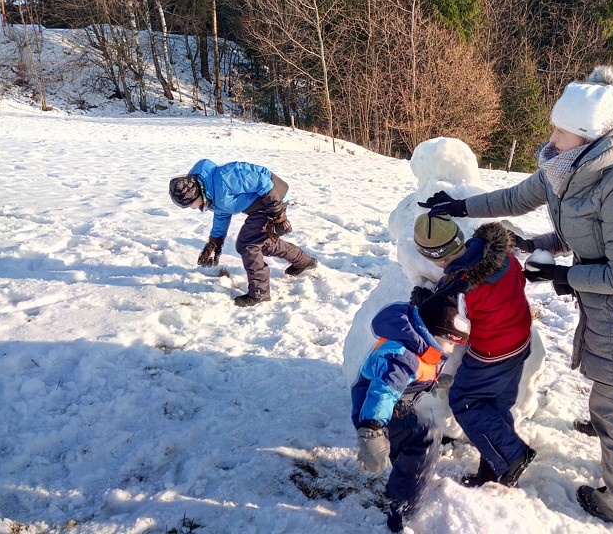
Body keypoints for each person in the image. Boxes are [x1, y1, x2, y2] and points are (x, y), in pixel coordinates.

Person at [419, 66, 613, 530]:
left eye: (560, 130)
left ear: (589, 136)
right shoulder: (565, 165)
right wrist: (462, 207)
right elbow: (518, 197)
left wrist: (563, 274)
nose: (551, 136)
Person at [412, 212, 536, 489]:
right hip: (519, 342)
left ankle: (514, 453)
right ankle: (493, 469)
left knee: (464, 400)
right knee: (495, 405)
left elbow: (456, 330)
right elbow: (519, 281)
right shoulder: (502, 255)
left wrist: (427, 305)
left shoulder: (458, 286)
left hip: (491, 353)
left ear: (432, 256)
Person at [351, 292, 467, 532]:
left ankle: (401, 484)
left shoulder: (418, 343)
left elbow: (417, 374)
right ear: (433, 333)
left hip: (394, 406)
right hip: (375, 413)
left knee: (411, 442)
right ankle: (403, 509)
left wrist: (434, 382)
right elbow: (384, 390)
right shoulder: (402, 356)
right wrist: (372, 430)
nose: (453, 348)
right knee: (426, 436)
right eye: (451, 341)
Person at [169, 159, 317, 307]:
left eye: (191, 204)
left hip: (272, 197)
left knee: (248, 245)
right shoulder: (208, 192)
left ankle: (260, 293)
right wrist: (215, 241)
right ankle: (303, 261)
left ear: (196, 194)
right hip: (260, 205)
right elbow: (222, 212)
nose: (193, 208)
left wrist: (276, 213)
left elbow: (262, 182)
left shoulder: (224, 178)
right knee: (262, 244)